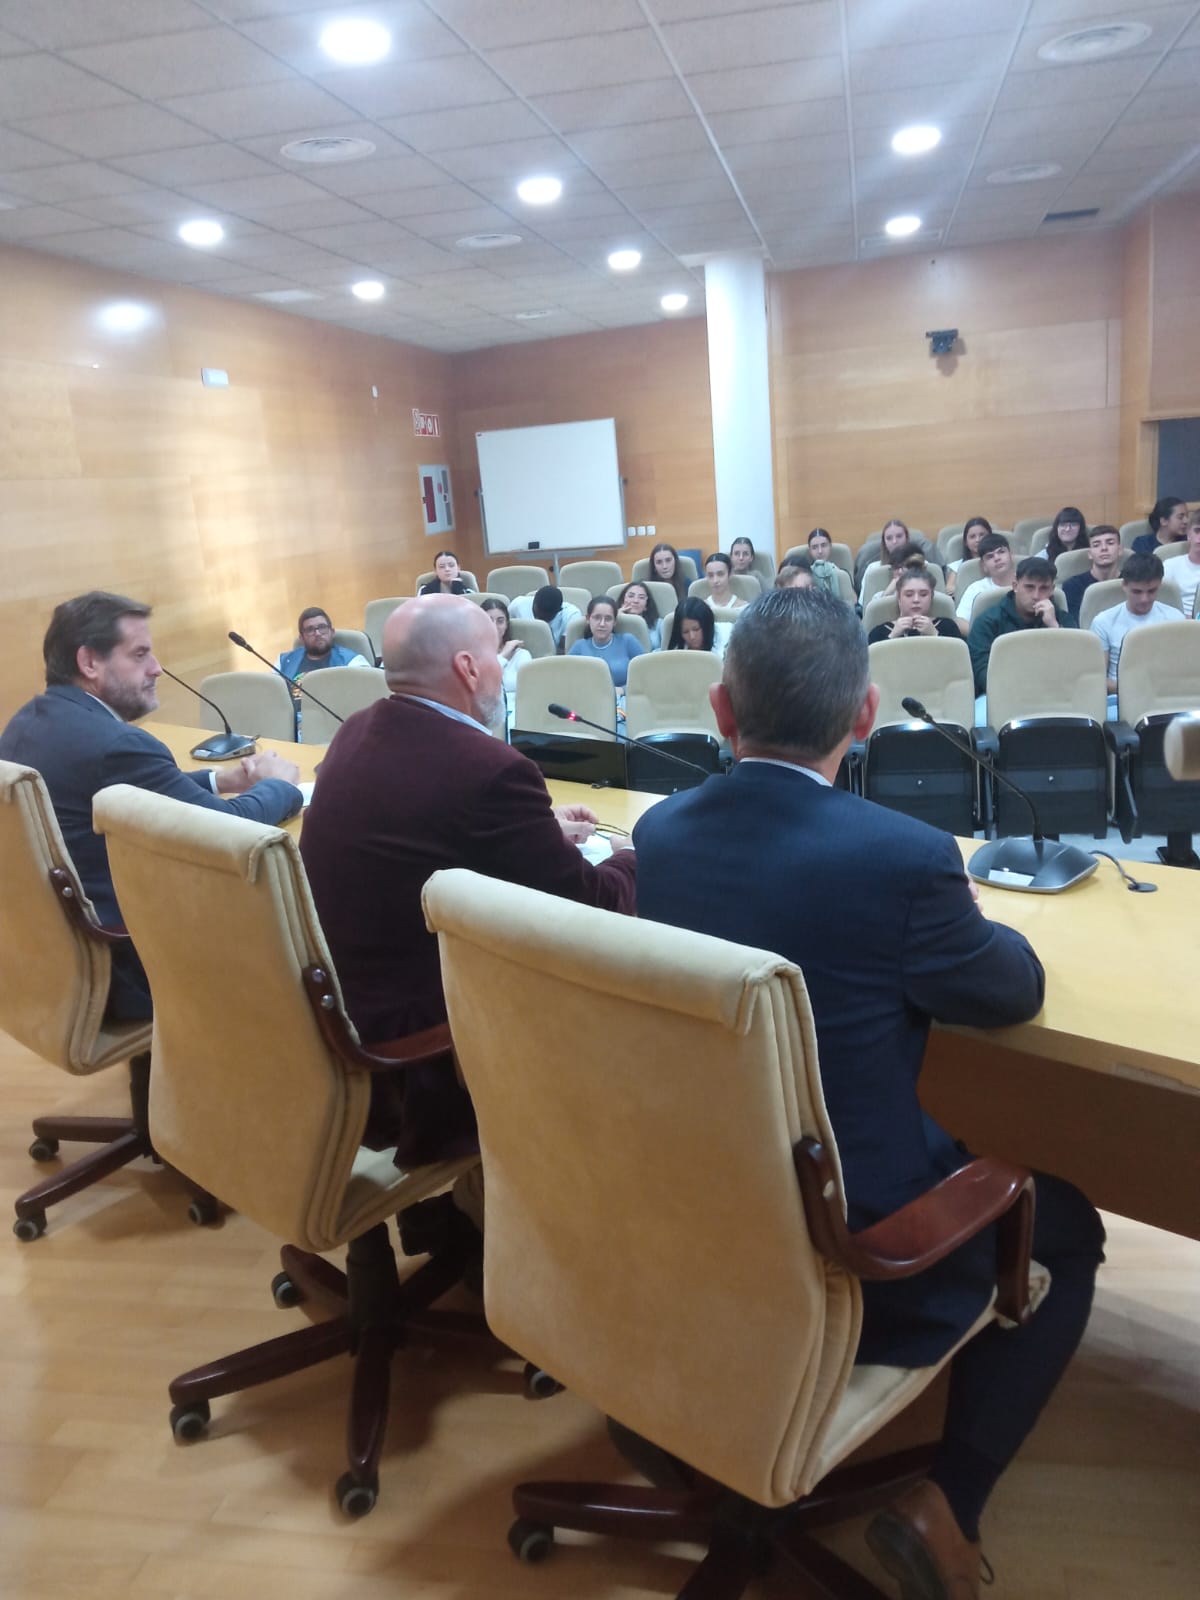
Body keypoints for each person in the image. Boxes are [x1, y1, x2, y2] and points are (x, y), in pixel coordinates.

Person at [632, 587, 1103, 1600]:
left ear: (720, 710)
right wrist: (977, 914)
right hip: (856, 1260)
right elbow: (1007, 988)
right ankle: (948, 1507)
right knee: (1067, 1223)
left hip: (686, 1222)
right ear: (867, 714)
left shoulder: (662, 836)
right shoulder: (903, 858)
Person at [299, 595, 637, 1167]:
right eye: (495, 657)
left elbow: (427, 833)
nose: (503, 670)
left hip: (335, 1005)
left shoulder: (355, 731)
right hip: (418, 1042)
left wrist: (536, 829)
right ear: (467, 667)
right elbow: (591, 905)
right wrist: (638, 851)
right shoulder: (491, 770)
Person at [0, 591, 302, 1020]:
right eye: (139, 654)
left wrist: (223, 779)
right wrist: (279, 786)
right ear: (89, 663)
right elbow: (229, 831)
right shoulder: (118, 745)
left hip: (58, 963)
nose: (156, 667)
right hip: (126, 967)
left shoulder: (27, 723)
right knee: (291, 919)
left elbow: (137, 796)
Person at [967, 555, 1078, 697]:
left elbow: (1075, 667)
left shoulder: (1063, 620)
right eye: (1029, 587)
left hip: (1055, 694)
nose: (1036, 595)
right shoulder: (988, 621)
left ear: (1052, 590)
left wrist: (1054, 627)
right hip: (1002, 695)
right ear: (1015, 586)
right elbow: (981, 671)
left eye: (1044, 588)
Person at [1091, 553, 1179, 702]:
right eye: (1137, 592)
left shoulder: (1175, 618)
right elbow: (1097, 680)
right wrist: (1140, 688)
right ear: (1124, 586)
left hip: (1167, 697)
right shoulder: (1103, 621)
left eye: (1151, 591)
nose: (1144, 599)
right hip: (1119, 698)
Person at [277, 606, 371, 739]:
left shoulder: (353, 662)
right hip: (290, 728)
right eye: (310, 630)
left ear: (332, 631)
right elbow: (273, 699)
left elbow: (364, 704)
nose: (317, 633)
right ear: (302, 638)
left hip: (331, 729)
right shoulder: (284, 661)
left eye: (322, 627)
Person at [568, 595, 645, 688]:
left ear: (615, 622)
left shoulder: (628, 641)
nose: (602, 624)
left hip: (624, 698)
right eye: (597, 618)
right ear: (588, 619)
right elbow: (568, 679)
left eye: (608, 619)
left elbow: (646, 675)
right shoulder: (579, 646)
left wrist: (623, 690)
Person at [867, 568, 960, 642]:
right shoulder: (880, 632)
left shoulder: (948, 627)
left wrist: (934, 634)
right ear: (899, 597)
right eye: (909, 595)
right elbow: (874, 663)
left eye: (923, 594)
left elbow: (959, 661)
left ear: (931, 597)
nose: (916, 600)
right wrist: (892, 636)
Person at [955, 533, 1017, 632]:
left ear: (1011, 556)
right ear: (984, 565)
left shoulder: (1027, 583)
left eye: (1001, 552)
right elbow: (960, 621)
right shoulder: (976, 589)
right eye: (990, 556)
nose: (997, 558)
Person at [1060, 524, 1122, 620]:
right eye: (1096, 545)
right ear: (1090, 554)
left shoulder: (1131, 582)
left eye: (1110, 543)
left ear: (1120, 550)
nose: (1104, 548)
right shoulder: (1073, 585)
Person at [478, 597, 531, 696]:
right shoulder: (474, 655)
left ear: (506, 624)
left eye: (500, 621)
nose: (494, 626)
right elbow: (484, 686)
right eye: (489, 621)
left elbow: (529, 690)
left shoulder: (521, 655)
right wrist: (503, 655)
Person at [509, 584, 582, 652]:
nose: (540, 619)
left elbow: (564, 650)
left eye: (546, 618)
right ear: (534, 601)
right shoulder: (518, 605)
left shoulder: (572, 615)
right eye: (537, 614)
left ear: (559, 610)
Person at [1161, 514, 1200, 617]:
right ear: (1188, 534)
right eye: (1197, 531)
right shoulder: (1170, 566)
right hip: (1177, 622)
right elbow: (1160, 602)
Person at [945, 517, 992, 595]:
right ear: (966, 542)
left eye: (982, 535)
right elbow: (949, 589)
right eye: (972, 537)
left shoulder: (997, 560)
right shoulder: (958, 566)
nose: (978, 540)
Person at [617, 580, 662, 649]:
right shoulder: (613, 623)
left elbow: (666, 649)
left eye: (641, 597)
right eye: (631, 596)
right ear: (622, 600)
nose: (636, 601)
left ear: (646, 605)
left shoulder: (659, 624)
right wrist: (616, 617)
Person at [804, 529, 843, 597]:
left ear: (830, 547)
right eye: (814, 547)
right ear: (810, 550)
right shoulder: (805, 576)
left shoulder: (842, 573)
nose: (820, 551)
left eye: (824, 545)